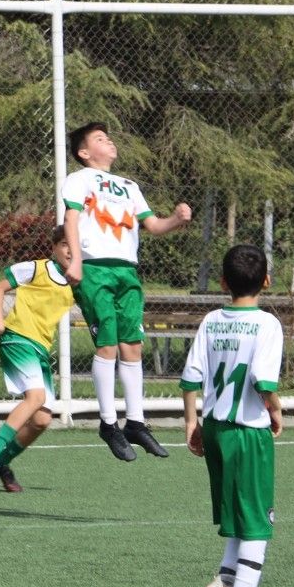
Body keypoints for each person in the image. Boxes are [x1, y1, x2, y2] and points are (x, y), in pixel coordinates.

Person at [62, 122, 192, 461]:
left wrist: (176, 219)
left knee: (132, 345)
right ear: (84, 152)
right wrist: (76, 260)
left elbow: (154, 225)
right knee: (107, 344)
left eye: (109, 137)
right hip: (95, 269)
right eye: (100, 138)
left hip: (127, 270)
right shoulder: (80, 179)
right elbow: (71, 219)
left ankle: (135, 422)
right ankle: (109, 424)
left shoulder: (129, 186)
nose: (109, 141)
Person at [180, 244, 283, 587]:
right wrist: (276, 410)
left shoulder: (211, 320)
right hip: (247, 433)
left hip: (215, 429)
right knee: (255, 521)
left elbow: (191, 378)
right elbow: (262, 380)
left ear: (223, 282)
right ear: (266, 281)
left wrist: (191, 423)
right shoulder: (267, 324)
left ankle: (224, 580)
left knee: (240, 511)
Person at [0, 226, 74, 492]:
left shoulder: (77, 283)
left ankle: (1, 462)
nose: (70, 251)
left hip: (40, 348)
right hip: (17, 338)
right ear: (54, 247)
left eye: (75, 246)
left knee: (41, 420)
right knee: (36, 397)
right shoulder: (36, 268)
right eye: (65, 244)